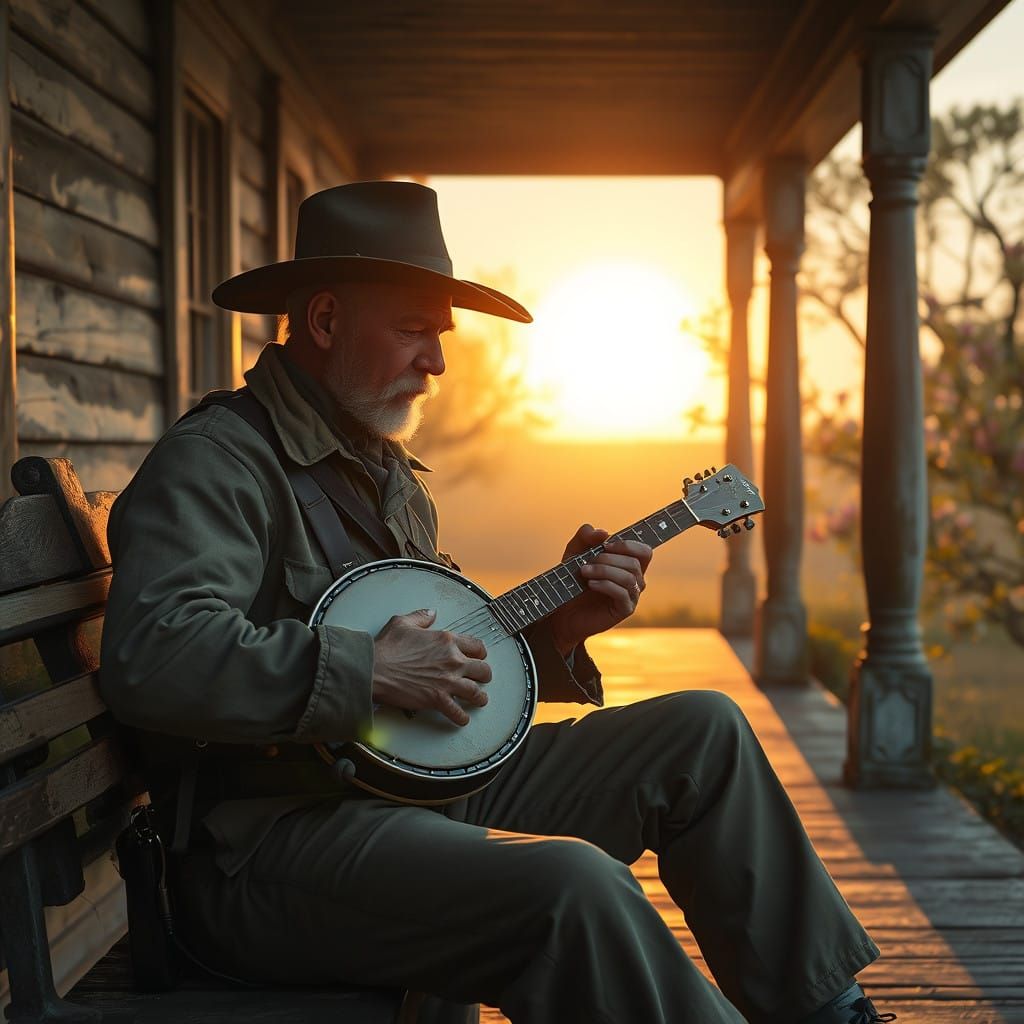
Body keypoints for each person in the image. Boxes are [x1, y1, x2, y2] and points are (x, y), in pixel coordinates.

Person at [100, 181, 893, 1024]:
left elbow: (432, 666)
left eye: (439, 337)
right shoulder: (219, 463)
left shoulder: (383, 470)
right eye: (413, 330)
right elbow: (155, 654)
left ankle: (830, 1015)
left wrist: (555, 634)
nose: (436, 363)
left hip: (408, 789)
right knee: (572, 884)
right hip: (266, 848)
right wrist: (368, 669)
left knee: (706, 733)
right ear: (326, 321)